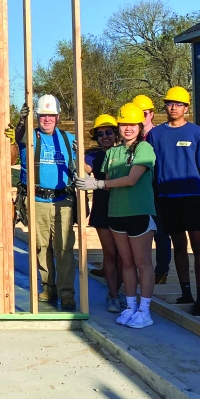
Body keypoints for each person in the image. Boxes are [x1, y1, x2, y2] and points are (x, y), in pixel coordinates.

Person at [77, 103, 158, 329]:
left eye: (132, 124)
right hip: (116, 213)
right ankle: (130, 307)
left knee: (142, 262)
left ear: (139, 126)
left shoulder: (144, 149)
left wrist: (99, 183)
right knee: (128, 263)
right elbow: (111, 185)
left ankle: (145, 310)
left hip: (139, 212)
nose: (127, 128)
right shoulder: (112, 152)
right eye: (123, 124)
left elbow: (131, 179)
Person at [145, 86, 200, 316]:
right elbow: (151, 165)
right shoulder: (156, 134)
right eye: (169, 103)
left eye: (178, 104)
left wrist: (195, 189)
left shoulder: (198, 134)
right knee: (178, 246)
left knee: (198, 245)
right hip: (166, 198)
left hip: (192, 197)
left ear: (186, 107)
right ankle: (186, 292)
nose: (173, 107)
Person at [14, 94, 78, 311]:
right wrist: (21, 122)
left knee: (64, 249)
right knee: (42, 248)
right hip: (37, 200)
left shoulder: (69, 140)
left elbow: (81, 166)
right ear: (38, 117)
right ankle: (47, 287)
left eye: (51, 115)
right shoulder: (29, 138)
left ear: (58, 117)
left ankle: (67, 293)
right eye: (43, 115)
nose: (47, 119)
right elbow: (17, 137)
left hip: (63, 201)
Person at [83, 114, 125, 313]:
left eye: (109, 132)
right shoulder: (94, 155)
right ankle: (114, 296)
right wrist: (74, 154)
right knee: (110, 253)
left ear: (116, 133)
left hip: (125, 206)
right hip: (103, 207)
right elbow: (83, 168)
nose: (105, 137)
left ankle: (117, 292)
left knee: (125, 256)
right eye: (100, 134)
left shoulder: (126, 153)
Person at [133, 94, 170, 285]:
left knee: (161, 232)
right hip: (137, 190)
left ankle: (161, 271)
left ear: (152, 114)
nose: (142, 118)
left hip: (157, 190)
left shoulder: (159, 135)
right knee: (137, 233)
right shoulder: (132, 138)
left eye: (145, 113)